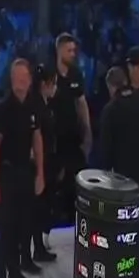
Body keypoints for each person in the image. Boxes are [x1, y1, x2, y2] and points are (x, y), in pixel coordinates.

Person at [98, 58, 139, 278]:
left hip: (125, 181)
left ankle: (126, 277)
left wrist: (104, 178)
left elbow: (105, 151)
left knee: (124, 230)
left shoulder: (111, 109)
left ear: (111, 86)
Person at [0, 58, 46, 278]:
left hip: (26, 172)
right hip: (7, 174)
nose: (20, 81)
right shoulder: (3, 109)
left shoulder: (33, 104)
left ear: (30, 80)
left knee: (22, 227)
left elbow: (37, 139)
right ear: (11, 80)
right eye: (16, 77)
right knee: (5, 230)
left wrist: (40, 173)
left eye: (24, 77)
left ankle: (15, 275)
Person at [52, 33, 94, 231]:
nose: (72, 54)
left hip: (73, 138)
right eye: (69, 50)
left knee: (78, 184)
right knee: (56, 186)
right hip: (54, 140)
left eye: (74, 51)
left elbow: (81, 103)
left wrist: (88, 132)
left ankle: (77, 228)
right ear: (59, 50)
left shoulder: (76, 73)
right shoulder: (49, 74)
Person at [25, 64, 60, 264]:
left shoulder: (44, 105)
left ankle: (39, 247)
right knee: (36, 208)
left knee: (42, 207)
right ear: (45, 84)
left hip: (47, 161)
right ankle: (35, 249)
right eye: (53, 83)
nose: (55, 88)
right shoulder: (36, 106)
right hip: (38, 163)